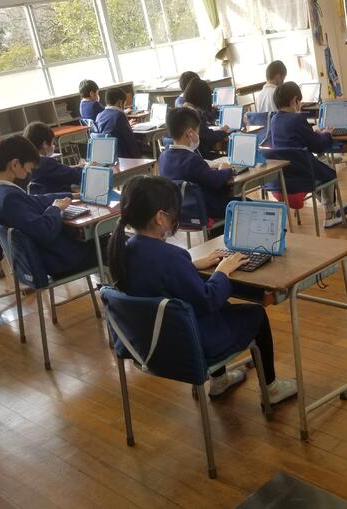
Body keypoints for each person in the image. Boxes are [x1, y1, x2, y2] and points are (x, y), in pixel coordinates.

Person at [107, 175, 298, 402]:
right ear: (160, 217)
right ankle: (272, 389)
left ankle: (220, 380)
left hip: (149, 344)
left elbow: (158, 277)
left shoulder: (124, 250)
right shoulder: (171, 257)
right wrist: (222, 271)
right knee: (256, 314)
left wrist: (191, 265)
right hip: (190, 346)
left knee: (221, 308)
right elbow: (208, 300)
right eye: (173, 212)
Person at [0, 135, 101, 277]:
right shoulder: (9, 198)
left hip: (44, 259)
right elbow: (45, 231)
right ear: (15, 164)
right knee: (111, 244)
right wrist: (55, 209)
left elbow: (34, 200)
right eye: (28, 170)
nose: (29, 174)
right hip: (60, 261)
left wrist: (71, 196)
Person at [269, 81, 347, 228]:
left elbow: (292, 140)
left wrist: (313, 134)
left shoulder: (274, 120)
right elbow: (318, 147)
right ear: (295, 100)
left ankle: (331, 207)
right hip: (301, 173)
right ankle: (330, 213)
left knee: (321, 166)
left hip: (283, 175)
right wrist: (327, 134)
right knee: (329, 170)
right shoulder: (297, 119)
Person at [159, 107, 233, 220]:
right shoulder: (192, 160)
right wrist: (227, 170)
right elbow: (215, 181)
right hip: (206, 210)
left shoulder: (163, 157)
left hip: (182, 213)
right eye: (197, 132)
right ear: (190, 133)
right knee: (247, 202)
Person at [23, 121, 82, 194]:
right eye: (52, 143)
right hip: (57, 196)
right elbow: (74, 175)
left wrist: (75, 167)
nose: (53, 146)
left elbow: (60, 170)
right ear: (45, 144)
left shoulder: (28, 162)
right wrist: (87, 168)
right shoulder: (45, 162)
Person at [183, 78, 229, 160]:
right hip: (202, 157)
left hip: (192, 155)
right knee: (230, 158)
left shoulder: (183, 109)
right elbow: (208, 136)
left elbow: (204, 133)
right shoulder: (192, 114)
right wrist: (223, 132)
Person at [95, 87, 141, 159]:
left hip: (109, 157)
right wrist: (138, 158)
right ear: (120, 103)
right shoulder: (119, 115)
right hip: (124, 157)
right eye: (124, 104)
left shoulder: (99, 116)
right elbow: (130, 140)